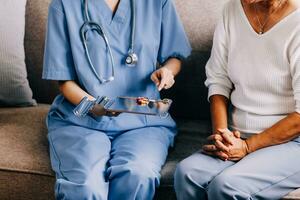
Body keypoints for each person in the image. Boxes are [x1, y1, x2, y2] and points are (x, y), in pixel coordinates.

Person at [42, 0, 191, 199]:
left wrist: (168, 71)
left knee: (138, 174)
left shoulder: (158, 3)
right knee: (87, 187)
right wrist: (94, 106)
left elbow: (175, 57)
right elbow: (64, 81)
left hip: (143, 121)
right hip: (82, 121)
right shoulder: (63, 5)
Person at [174, 0, 300, 199]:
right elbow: (218, 80)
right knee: (187, 173)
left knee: (227, 186)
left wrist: (248, 147)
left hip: (291, 142)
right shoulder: (232, 9)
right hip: (238, 134)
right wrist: (222, 137)